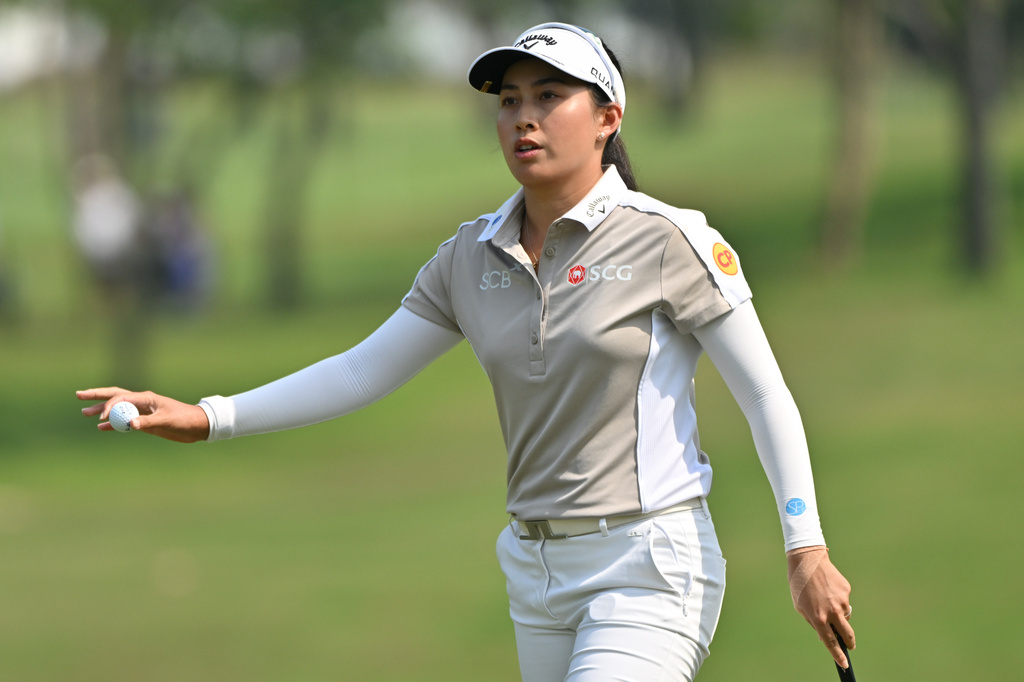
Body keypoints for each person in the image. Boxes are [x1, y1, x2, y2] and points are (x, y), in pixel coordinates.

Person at [78, 22, 855, 682]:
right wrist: (209, 417)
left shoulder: (668, 239)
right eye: (509, 100)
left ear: (608, 117)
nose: (524, 118)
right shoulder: (469, 256)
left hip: (649, 564)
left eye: (549, 97)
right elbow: (361, 370)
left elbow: (764, 394)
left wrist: (806, 548)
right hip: (535, 574)